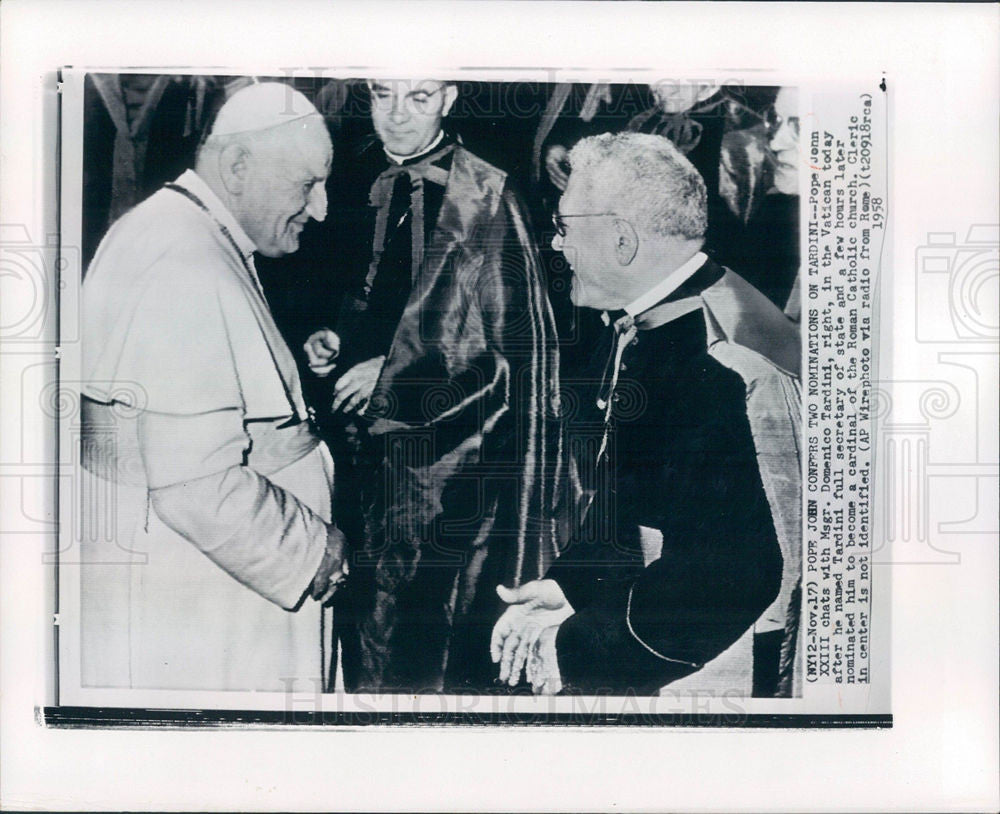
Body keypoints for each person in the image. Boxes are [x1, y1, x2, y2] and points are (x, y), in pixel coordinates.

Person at [491, 132, 793, 695]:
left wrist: (577, 647)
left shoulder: (714, 359)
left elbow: (731, 574)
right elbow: (653, 497)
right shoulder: (674, 314)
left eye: (563, 228)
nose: (555, 247)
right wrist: (572, 586)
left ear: (622, 241)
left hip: (725, 660)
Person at [79, 82, 347, 691]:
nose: (323, 207)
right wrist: (313, 551)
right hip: (214, 595)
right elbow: (194, 485)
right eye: (308, 184)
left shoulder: (174, 229)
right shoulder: (184, 261)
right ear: (237, 166)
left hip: (208, 582)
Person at [303, 78, 561, 693]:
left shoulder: (488, 195)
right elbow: (335, 286)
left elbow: (512, 357)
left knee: (417, 635)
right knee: (351, 624)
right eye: (381, 95)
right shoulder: (343, 175)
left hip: (442, 464)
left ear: (448, 98)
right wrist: (326, 342)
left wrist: (392, 374)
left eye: (417, 98)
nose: (394, 116)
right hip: (351, 451)